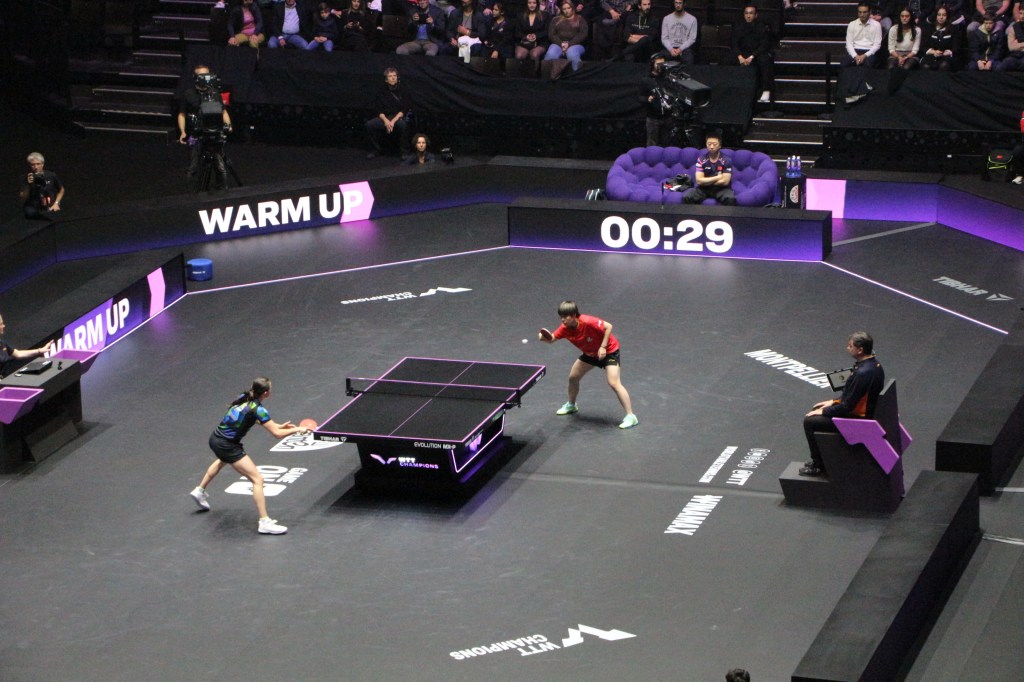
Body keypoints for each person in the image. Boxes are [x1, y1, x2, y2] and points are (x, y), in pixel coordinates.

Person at [190, 377, 306, 534]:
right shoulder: (259, 409)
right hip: (228, 446)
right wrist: (297, 430)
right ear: (266, 393)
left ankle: (199, 491)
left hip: (215, 439)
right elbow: (277, 434)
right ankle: (264, 522)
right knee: (258, 480)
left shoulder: (243, 397)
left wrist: (278, 425)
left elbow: (251, 417)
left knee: (222, 460)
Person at [539, 300, 638, 429]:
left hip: (609, 352)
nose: (562, 320)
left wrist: (603, 347)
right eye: (561, 317)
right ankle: (571, 405)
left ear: (574, 315)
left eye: (565, 317)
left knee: (614, 383)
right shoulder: (565, 328)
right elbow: (552, 339)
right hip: (590, 354)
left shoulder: (587, 321)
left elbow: (608, 326)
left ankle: (631, 416)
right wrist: (543, 337)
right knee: (573, 377)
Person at [800, 331, 885, 477]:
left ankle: (818, 465)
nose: (848, 348)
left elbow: (847, 407)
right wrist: (833, 402)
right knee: (818, 409)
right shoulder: (873, 364)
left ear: (860, 349)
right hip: (863, 410)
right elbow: (853, 396)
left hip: (859, 419)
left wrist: (825, 411)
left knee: (810, 422)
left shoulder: (862, 373)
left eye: (850, 346)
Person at [177, 65, 233, 192]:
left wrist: (228, 125)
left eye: (207, 75)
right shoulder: (188, 94)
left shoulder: (215, 94)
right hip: (196, 134)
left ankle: (222, 189)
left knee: (220, 165)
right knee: (194, 165)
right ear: (195, 78)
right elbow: (182, 114)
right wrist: (183, 132)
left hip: (214, 133)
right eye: (201, 76)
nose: (205, 79)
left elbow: (224, 112)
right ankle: (190, 192)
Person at [365, 67, 412, 159]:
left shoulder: (404, 90)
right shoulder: (381, 92)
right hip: (385, 117)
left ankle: (405, 152)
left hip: (398, 117)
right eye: (390, 76)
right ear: (386, 79)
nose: (393, 78)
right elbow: (379, 109)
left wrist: (393, 121)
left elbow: (405, 109)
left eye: (395, 76)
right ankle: (376, 150)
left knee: (403, 125)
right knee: (369, 125)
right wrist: (386, 121)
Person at [731, 4, 774, 103]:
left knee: (765, 60)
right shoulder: (738, 27)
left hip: (756, 53)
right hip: (743, 53)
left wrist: (751, 57)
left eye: (751, 13)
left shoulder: (761, 27)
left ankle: (766, 90)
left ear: (756, 15)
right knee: (727, 59)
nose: (748, 16)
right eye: (746, 13)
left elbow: (764, 45)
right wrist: (740, 56)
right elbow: (734, 43)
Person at [683, 132, 736, 205]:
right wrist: (717, 177)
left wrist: (705, 181)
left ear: (720, 145)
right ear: (706, 145)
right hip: (704, 188)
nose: (711, 147)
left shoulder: (726, 160)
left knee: (730, 199)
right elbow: (699, 181)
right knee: (687, 196)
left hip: (721, 189)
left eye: (715, 144)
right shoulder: (701, 159)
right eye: (709, 144)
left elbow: (725, 181)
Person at [0, 313, 54, 378]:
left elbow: (18, 354)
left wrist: (39, 350)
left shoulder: (2, 343)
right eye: (1, 324)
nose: (4, 326)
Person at [640, 52, 674, 146]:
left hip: (667, 117)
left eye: (662, 64)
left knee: (667, 143)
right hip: (653, 118)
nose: (660, 66)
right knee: (652, 144)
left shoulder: (668, 78)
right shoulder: (647, 80)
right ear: (652, 64)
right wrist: (647, 99)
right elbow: (639, 97)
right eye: (658, 64)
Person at [19, 152, 64, 220]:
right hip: (34, 209)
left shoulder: (50, 175)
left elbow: (61, 190)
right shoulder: (25, 177)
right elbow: (23, 197)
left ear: (42, 164)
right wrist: (28, 185)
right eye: (33, 165)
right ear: (29, 165)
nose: (36, 167)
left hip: (51, 207)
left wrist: (56, 203)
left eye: (38, 164)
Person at [545, 0, 588, 71]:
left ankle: (577, 75)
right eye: (564, 9)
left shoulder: (580, 19)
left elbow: (583, 34)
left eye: (568, 8)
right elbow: (552, 34)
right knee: (551, 54)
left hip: (576, 44)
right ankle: (548, 76)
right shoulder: (556, 20)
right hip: (558, 44)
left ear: (572, 8)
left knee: (571, 54)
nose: (566, 10)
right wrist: (561, 43)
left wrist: (569, 44)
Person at [843, 2, 883, 67]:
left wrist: (864, 56)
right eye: (860, 12)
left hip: (869, 51)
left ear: (869, 12)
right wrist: (856, 56)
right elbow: (849, 44)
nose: (862, 15)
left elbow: (877, 45)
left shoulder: (877, 25)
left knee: (868, 64)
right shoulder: (852, 24)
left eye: (864, 12)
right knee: (844, 64)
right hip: (855, 50)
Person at [920, 5, 960, 69]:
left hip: (946, 56)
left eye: (944, 15)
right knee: (926, 66)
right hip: (932, 55)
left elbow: (956, 47)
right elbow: (923, 46)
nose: (941, 17)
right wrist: (933, 52)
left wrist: (949, 52)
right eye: (939, 15)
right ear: (936, 16)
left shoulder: (953, 29)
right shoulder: (929, 28)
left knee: (944, 65)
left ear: (947, 16)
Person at [661, 0, 698, 66]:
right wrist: (671, 49)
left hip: (685, 48)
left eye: (680, 3)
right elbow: (664, 38)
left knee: (689, 57)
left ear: (684, 4)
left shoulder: (692, 19)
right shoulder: (666, 19)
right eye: (676, 3)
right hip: (670, 47)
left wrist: (680, 49)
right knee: (660, 58)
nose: (678, 5)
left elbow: (692, 39)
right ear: (674, 3)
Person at [514, 0, 551, 65]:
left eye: (534, 3)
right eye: (529, 3)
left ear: (537, 4)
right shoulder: (520, 15)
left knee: (534, 54)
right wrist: (526, 37)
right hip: (524, 43)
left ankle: (535, 71)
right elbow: (517, 32)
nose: (532, 5)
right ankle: (522, 72)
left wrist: (536, 36)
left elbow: (547, 31)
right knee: (519, 55)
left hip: (540, 43)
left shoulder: (545, 15)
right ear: (527, 4)